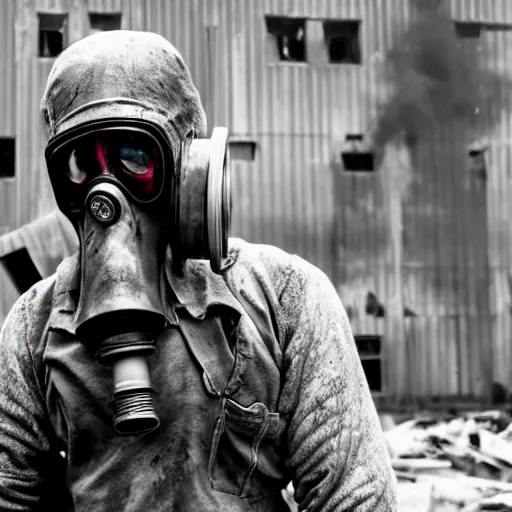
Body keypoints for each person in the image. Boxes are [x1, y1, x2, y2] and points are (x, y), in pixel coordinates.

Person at [0, 30, 397, 511]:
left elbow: (355, 499)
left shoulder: (286, 299)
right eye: (82, 165)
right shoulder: (33, 328)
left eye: (134, 157)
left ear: (193, 169)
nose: (106, 199)